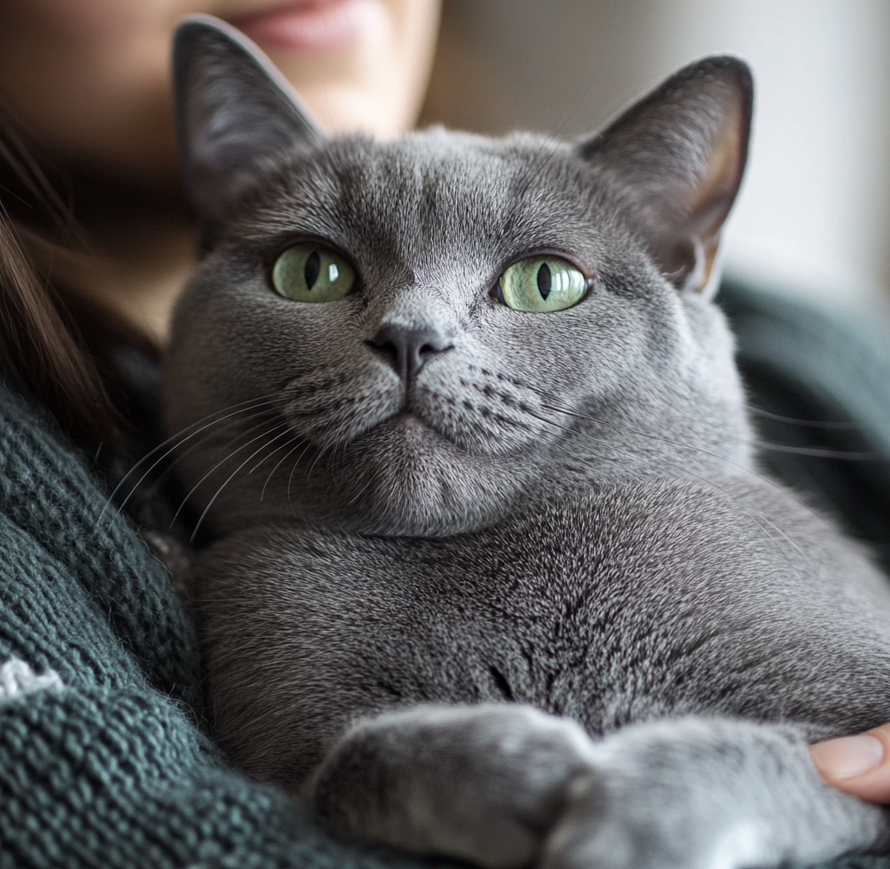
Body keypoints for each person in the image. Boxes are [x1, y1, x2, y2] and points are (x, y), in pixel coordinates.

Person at [1, 2, 889, 866]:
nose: (413, 328)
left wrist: (755, 784)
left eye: (544, 281)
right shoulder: (199, 575)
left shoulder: (779, 442)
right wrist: (375, 776)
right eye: (313, 269)